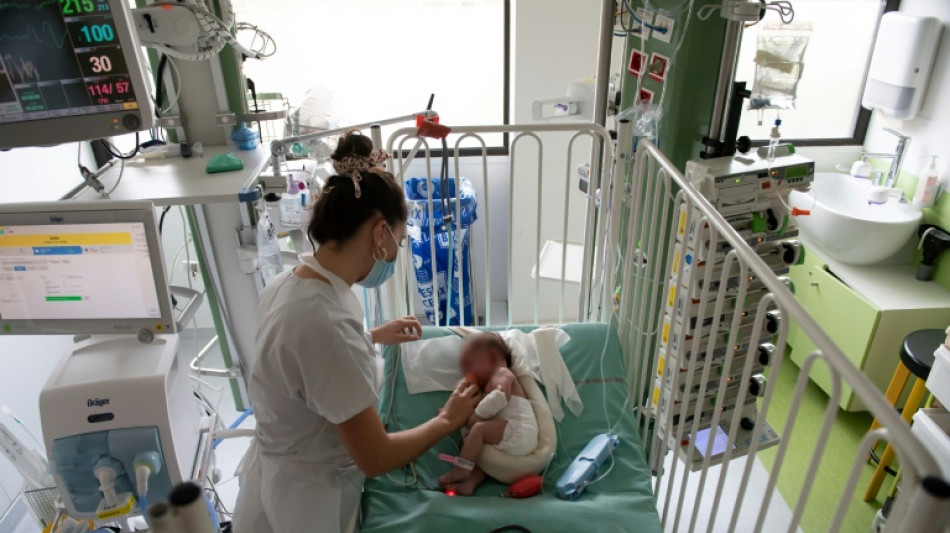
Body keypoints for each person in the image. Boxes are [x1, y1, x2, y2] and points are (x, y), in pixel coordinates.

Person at [233, 132, 480, 533]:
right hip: (312, 503)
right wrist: (447, 420)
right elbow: (376, 457)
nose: (396, 254)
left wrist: (371, 338)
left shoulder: (292, 283)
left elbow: (304, 369)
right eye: (399, 241)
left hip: (280, 473)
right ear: (379, 233)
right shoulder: (324, 324)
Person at [438, 333, 539, 496]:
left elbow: (500, 397)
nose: (467, 372)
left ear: (493, 356)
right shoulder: (488, 383)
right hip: (509, 434)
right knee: (477, 448)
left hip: (518, 431)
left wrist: (473, 418)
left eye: (471, 364)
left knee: (478, 430)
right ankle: (469, 484)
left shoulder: (502, 373)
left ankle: (461, 469)